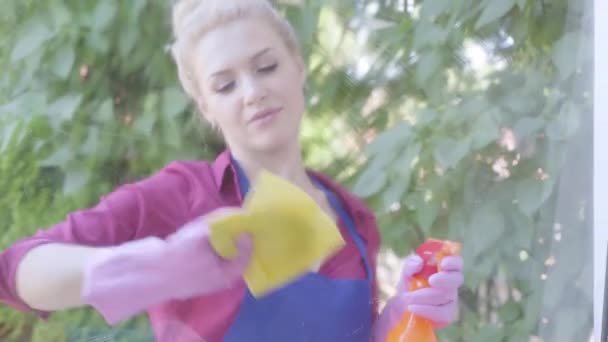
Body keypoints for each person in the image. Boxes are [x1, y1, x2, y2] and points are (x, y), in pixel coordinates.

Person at [0, 0, 464, 341]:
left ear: (298, 68)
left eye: (266, 67)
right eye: (225, 85)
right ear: (206, 106)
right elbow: (17, 271)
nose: (252, 92)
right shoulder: (182, 198)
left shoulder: (353, 219)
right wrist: (151, 268)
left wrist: (403, 316)